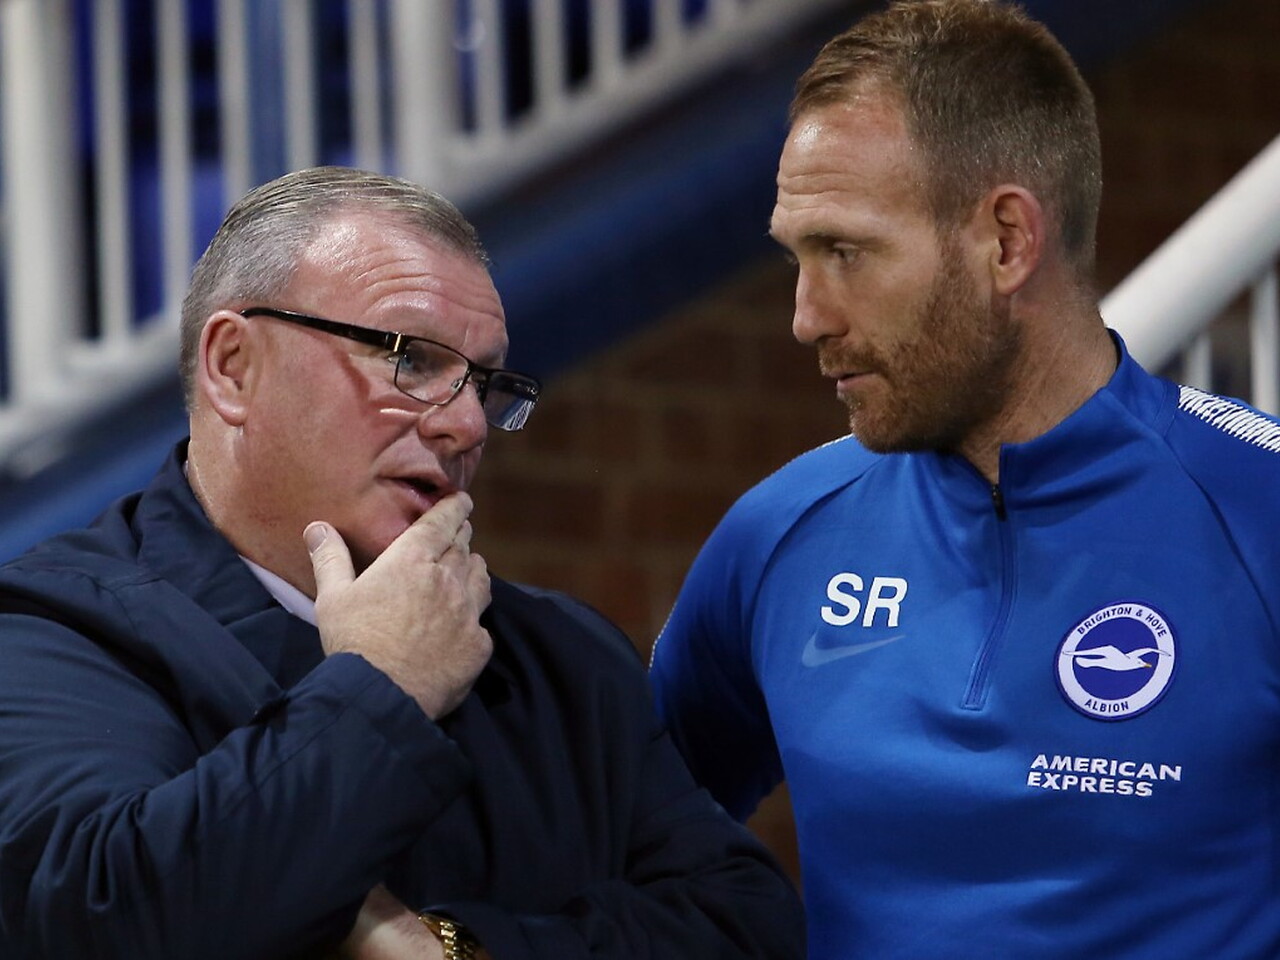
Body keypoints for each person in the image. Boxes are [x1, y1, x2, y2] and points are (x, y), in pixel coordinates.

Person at [0, 166, 805, 959]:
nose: (467, 425)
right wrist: (384, 685)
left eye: (484, 383)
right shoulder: (51, 632)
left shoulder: (564, 654)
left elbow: (747, 926)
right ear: (234, 367)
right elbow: (103, 920)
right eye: (411, 359)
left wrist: (453, 949)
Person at [649, 1, 1280, 956]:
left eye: (845, 252)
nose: (806, 317)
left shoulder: (1258, 511)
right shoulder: (777, 535)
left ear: (1007, 242)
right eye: (797, 256)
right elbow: (621, 859)